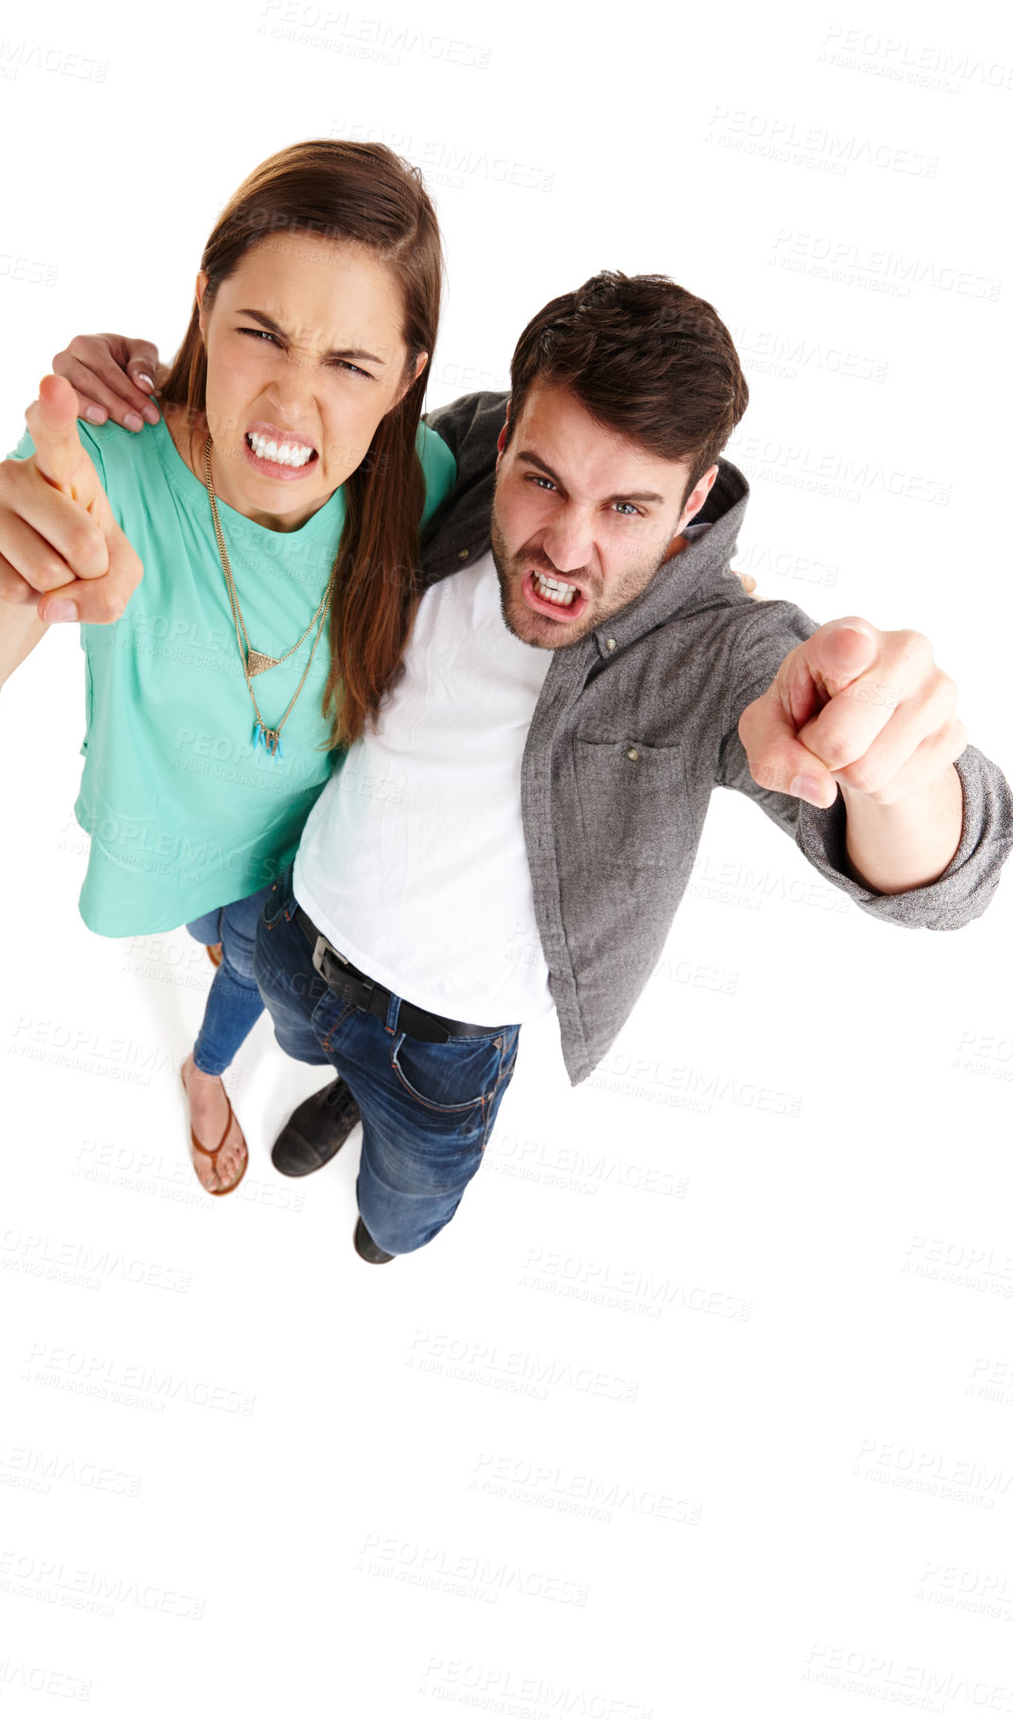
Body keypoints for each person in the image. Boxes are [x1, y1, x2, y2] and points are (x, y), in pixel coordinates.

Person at [230, 271, 1007, 1263]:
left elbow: (954, 874)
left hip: (442, 1043)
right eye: (542, 478)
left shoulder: (720, 651)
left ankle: (384, 1221)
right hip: (304, 929)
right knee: (300, 1038)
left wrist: (891, 771)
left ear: (690, 505)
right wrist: (143, 397)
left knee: (404, 1207)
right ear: (507, 434)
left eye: (627, 509)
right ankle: (340, 1085)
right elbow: (288, 451)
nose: (565, 546)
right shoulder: (463, 455)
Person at [0, 140, 455, 1197]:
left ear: (407, 376)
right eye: (258, 334)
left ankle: (206, 1061)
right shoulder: (102, 467)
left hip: (323, 859)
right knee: (242, 962)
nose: (287, 402)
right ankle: (207, 1074)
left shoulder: (424, 477)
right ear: (202, 304)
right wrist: (11, 577)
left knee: (267, 985)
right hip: (188, 858)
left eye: (349, 364)